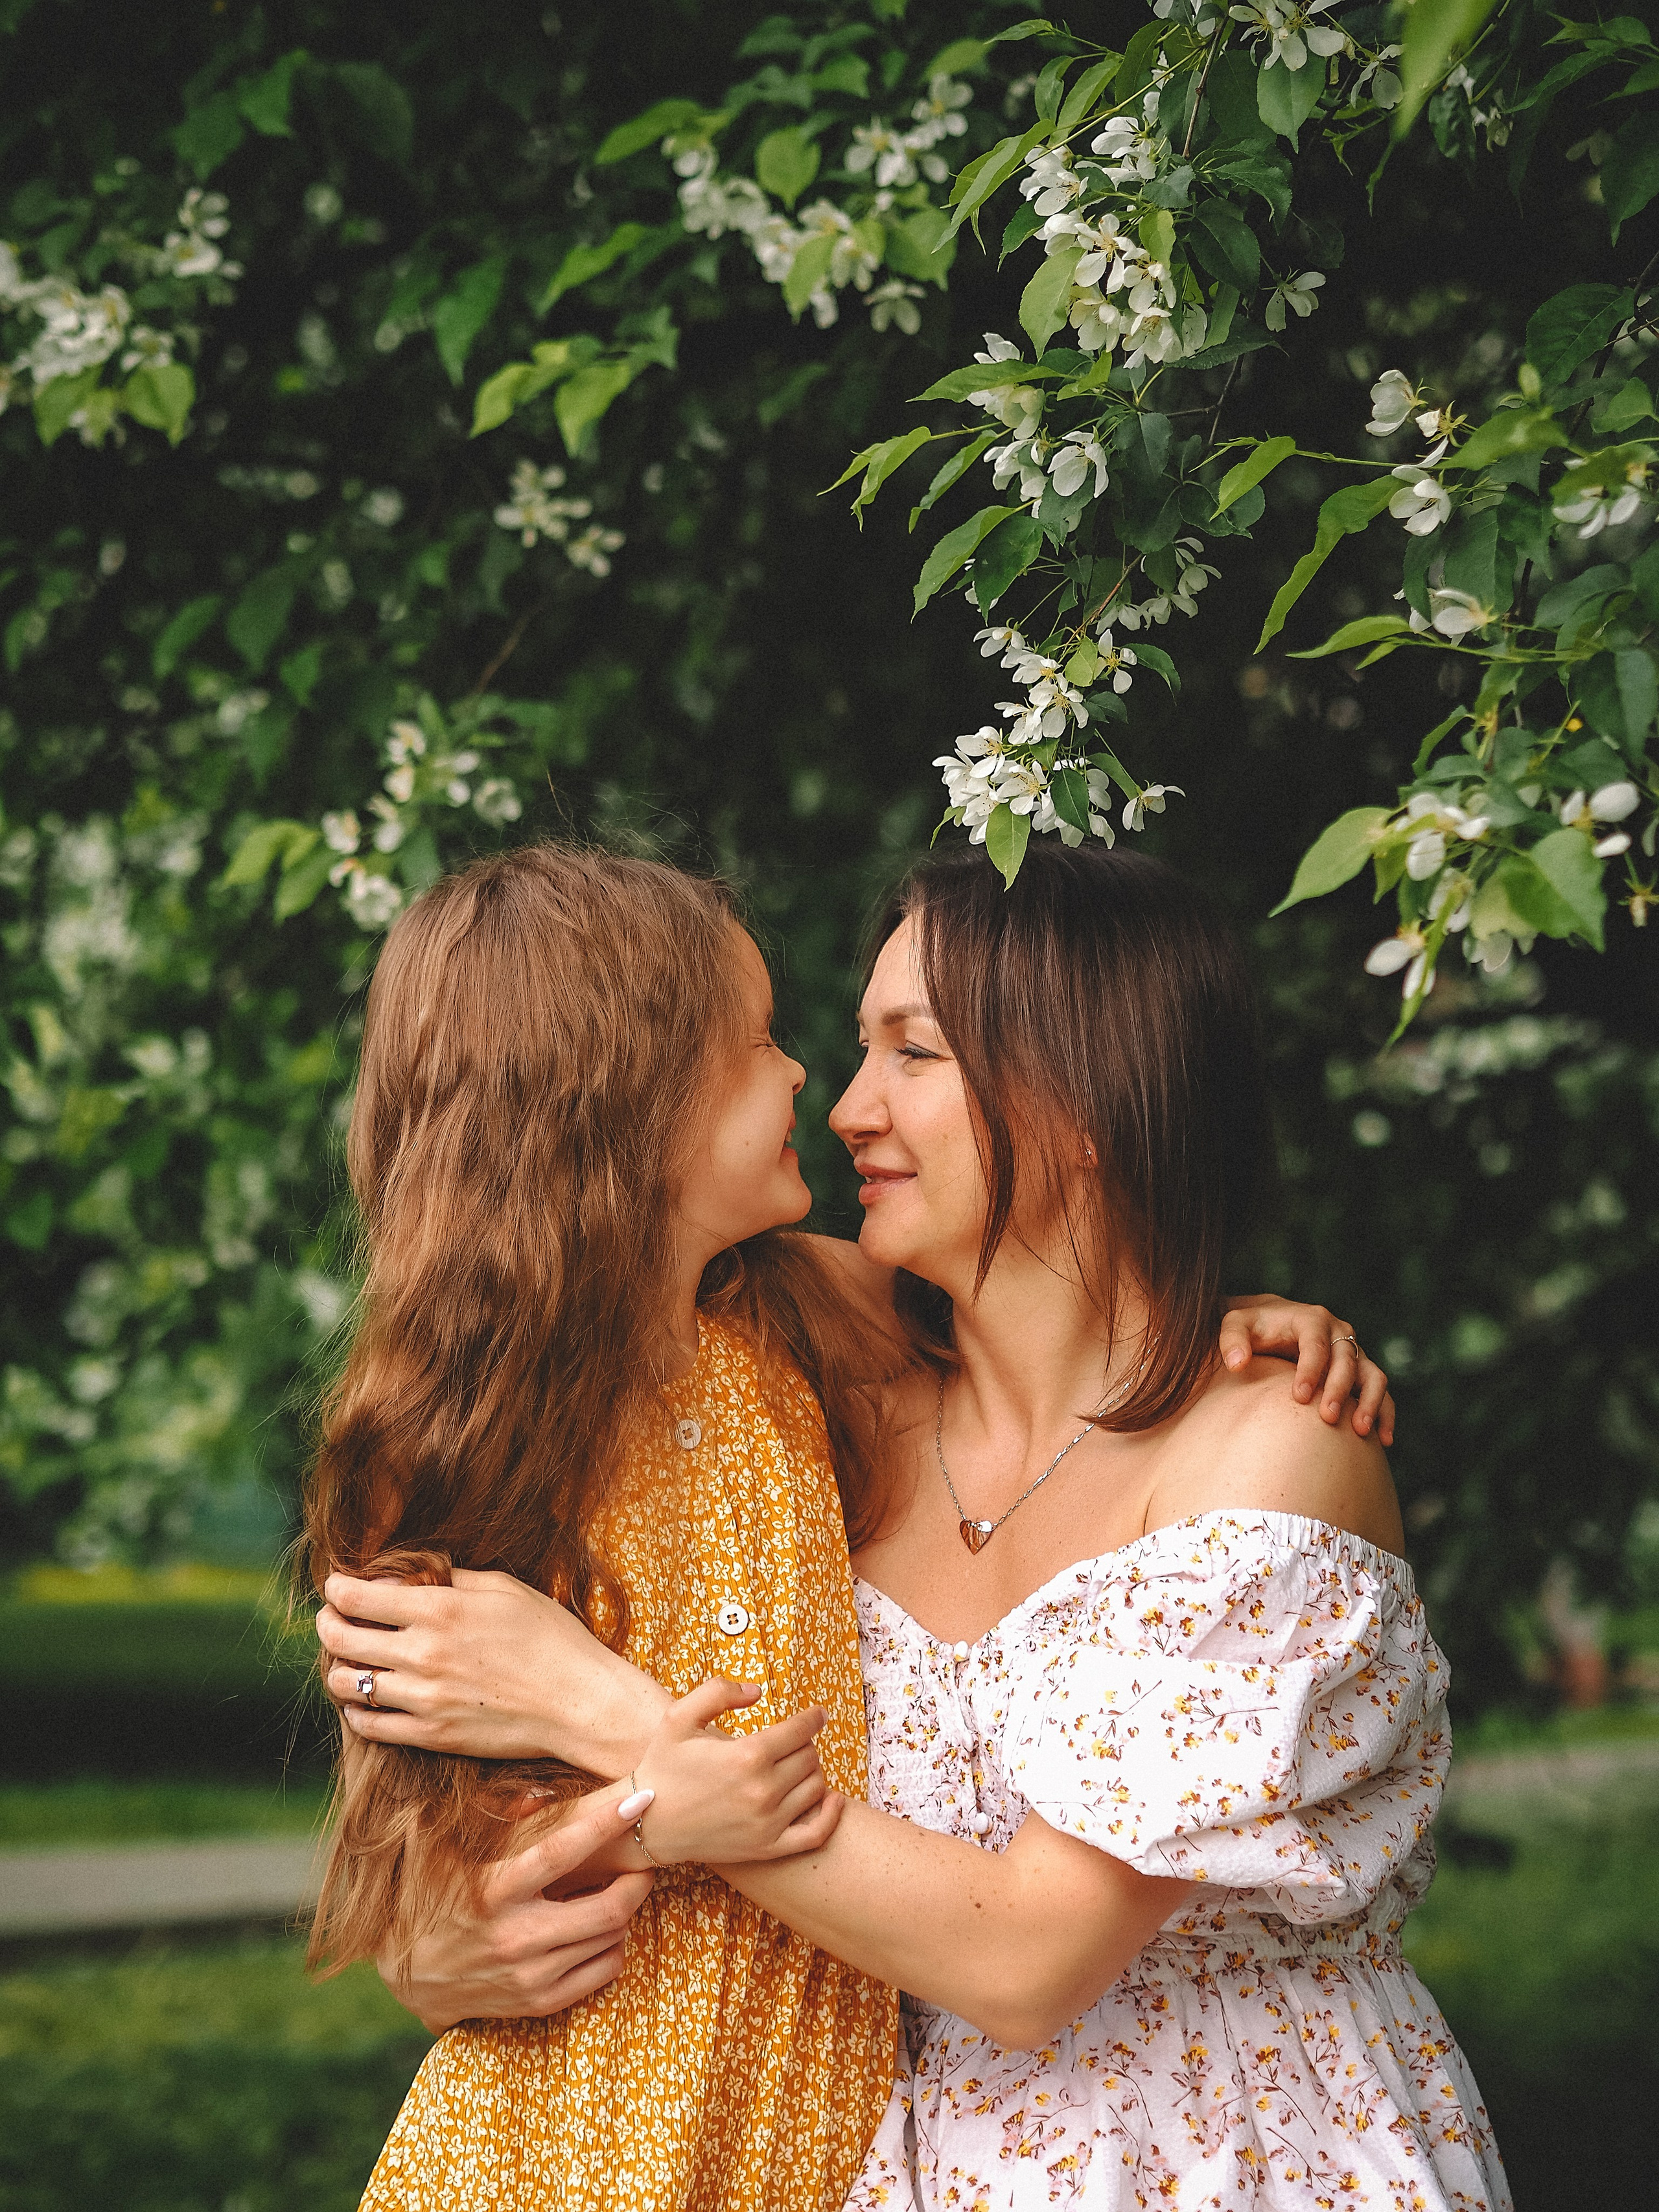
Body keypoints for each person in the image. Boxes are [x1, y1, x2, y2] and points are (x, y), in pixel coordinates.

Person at [316, 843, 1499, 2211]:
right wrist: (436, 1930)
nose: (845, 1103)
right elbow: (564, 1265)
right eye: (833, 1047)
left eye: (911, 1053)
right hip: (878, 2161)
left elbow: (1024, 1960)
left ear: (1086, 1098)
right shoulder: (827, 1401)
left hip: (1221, 2159)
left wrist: (606, 1715)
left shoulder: (1267, 1455)